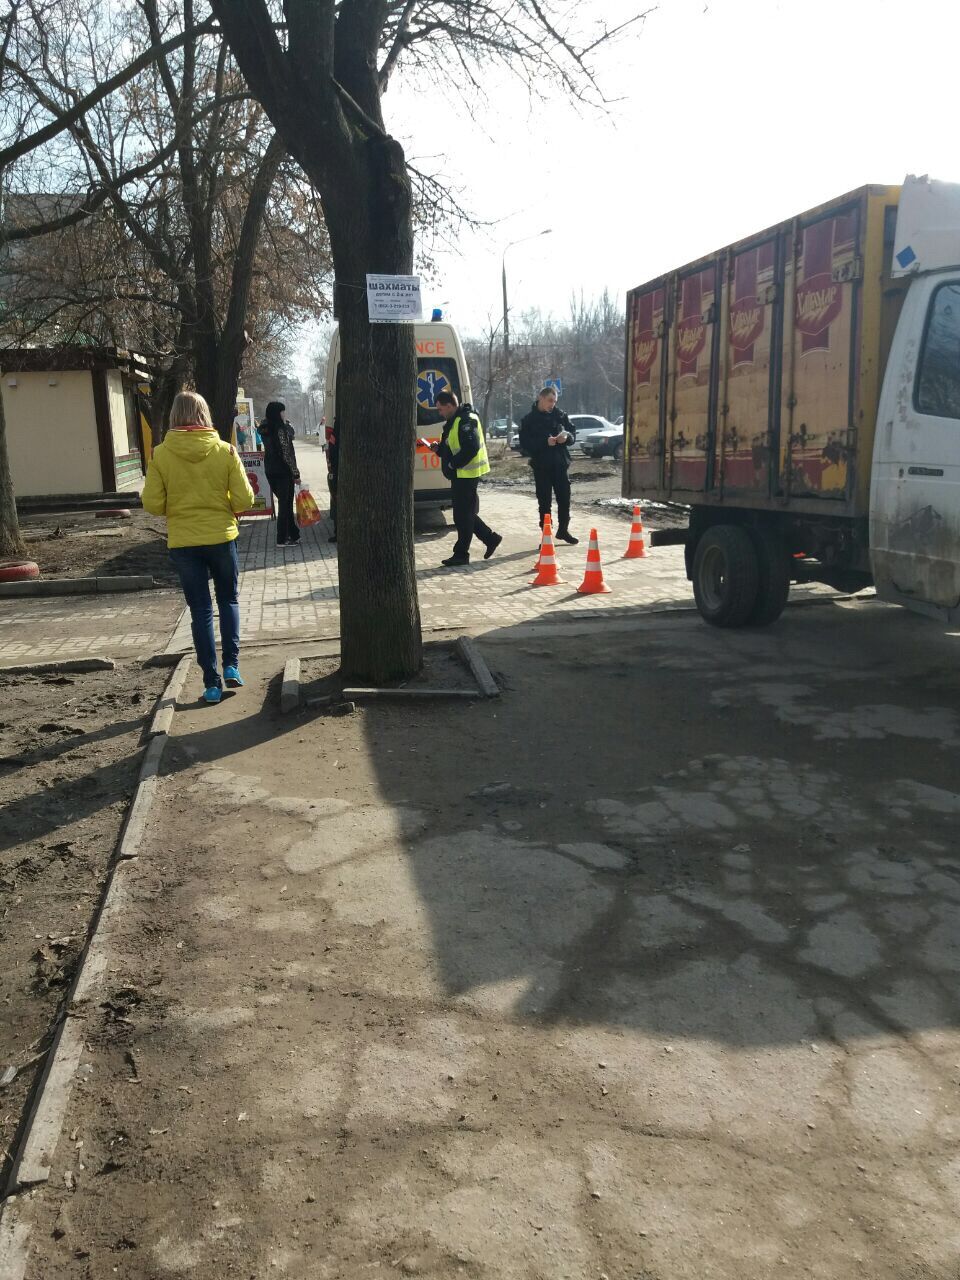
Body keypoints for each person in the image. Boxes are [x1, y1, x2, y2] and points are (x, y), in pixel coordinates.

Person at [142, 390, 255, 705]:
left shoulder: (161, 454)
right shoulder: (225, 451)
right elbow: (245, 499)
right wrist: (226, 507)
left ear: (175, 416)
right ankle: (232, 665)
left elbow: (152, 502)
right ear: (204, 414)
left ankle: (211, 683)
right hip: (221, 537)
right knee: (228, 600)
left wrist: (175, 508)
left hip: (184, 543)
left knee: (201, 611)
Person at [432, 391, 502, 567]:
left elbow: (471, 448)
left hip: (467, 474)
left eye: (440, 409)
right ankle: (490, 538)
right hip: (460, 474)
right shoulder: (454, 420)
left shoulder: (466, 419)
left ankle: (462, 553)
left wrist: (452, 464)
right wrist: (438, 449)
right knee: (466, 513)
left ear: (449, 405)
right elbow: (452, 445)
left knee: (462, 515)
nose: (439, 413)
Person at [518, 386, 579, 544]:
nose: (552, 404)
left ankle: (563, 530)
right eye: (550, 400)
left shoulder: (560, 415)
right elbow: (525, 445)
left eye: (555, 401)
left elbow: (573, 433)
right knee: (544, 503)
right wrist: (544, 443)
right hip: (541, 467)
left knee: (564, 499)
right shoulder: (529, 420)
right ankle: (547, 536)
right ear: (541, 398)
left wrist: (567, 437)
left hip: (560, 464)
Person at [259, 400, 300, 547]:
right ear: (278, 413)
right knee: (285, 505)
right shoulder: (280, 429)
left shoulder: (264, 428)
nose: (284, 414)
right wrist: (295, 473)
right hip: (283, 471)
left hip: (270, 470)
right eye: (282, 411)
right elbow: (286, 453)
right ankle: (282, 538)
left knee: (285, 503)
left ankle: (294, 534)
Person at [325, 416, 339, 543]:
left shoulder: (334, 435)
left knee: (336, 502)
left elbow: (331, 452)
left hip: (336, 473)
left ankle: (338, 532)